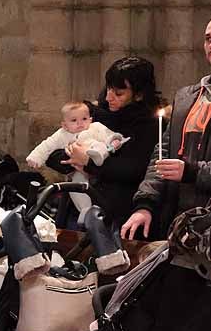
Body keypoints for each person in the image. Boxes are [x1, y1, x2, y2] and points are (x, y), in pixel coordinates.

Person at [122, 14, 211, 240]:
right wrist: (145, 204)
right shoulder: (186, 96)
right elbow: (161, 156)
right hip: (175, 219)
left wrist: (192, 171)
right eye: (208, 38)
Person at [45, 57, 163, 227]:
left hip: (116, 214)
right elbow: (53, 152)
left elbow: (135, 170)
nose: (109, 97)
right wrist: (72, 156)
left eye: (119, 93)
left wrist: (88, 163)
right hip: (76, 207)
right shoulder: (94, 113)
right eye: (108, 89)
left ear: (139, 95)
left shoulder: (149, 125)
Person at [27, 101, 129, 214]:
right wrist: (35, 157)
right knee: (76, 186)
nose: (80, 123)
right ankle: (85, 211)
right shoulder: (62, 134)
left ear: (90, 119)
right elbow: (47, 146)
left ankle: (97, 156)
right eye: (74, 120)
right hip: (77, 169)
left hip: (99, 159)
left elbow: (110, 135)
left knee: (98, 145)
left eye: (84, 119)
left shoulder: (95, 127)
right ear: (65, 125)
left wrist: (115, 140)